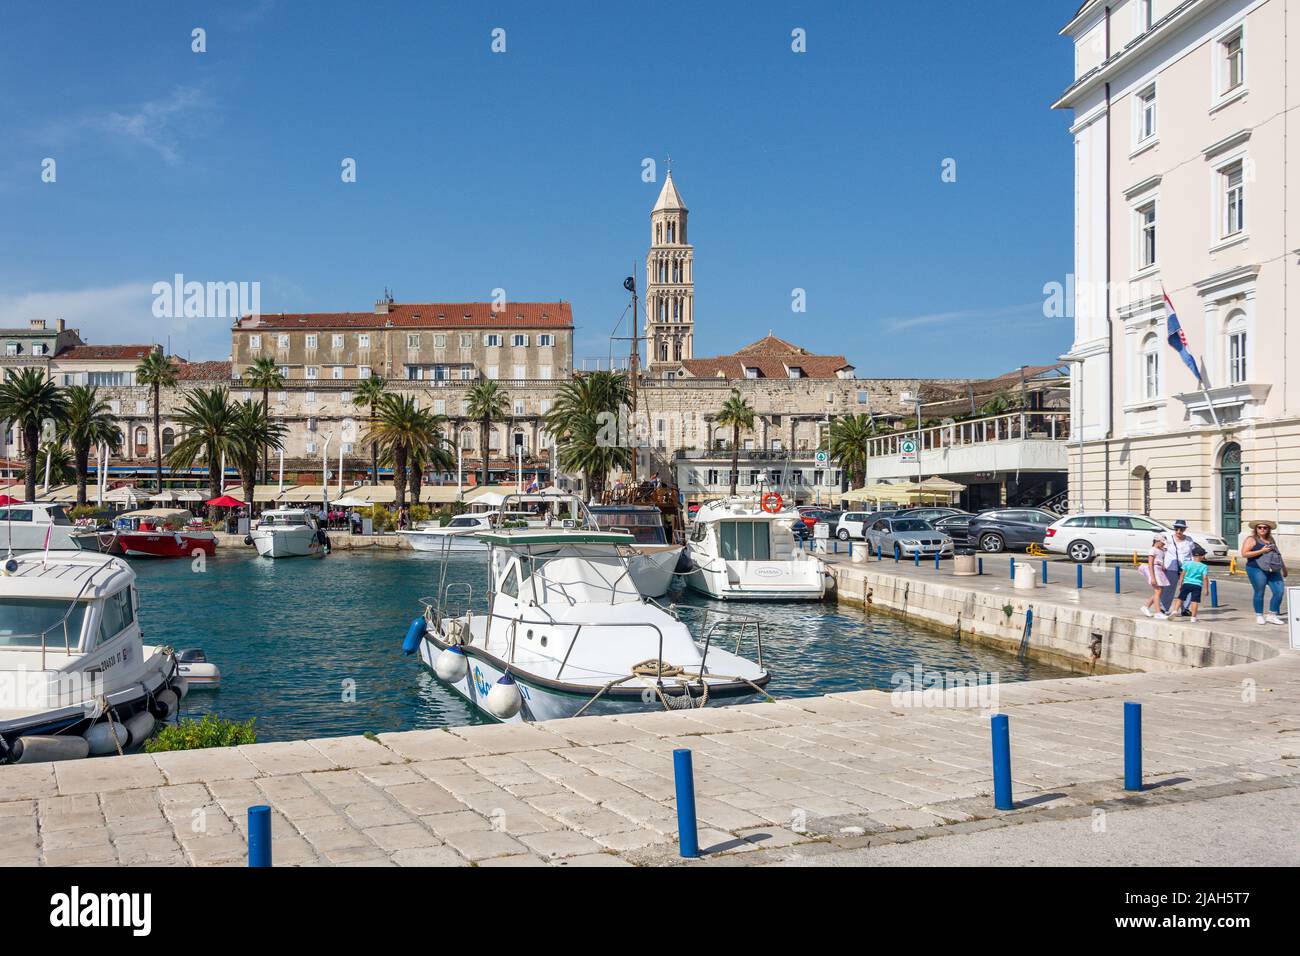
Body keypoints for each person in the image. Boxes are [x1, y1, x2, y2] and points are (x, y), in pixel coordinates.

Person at [1241, 519, 1287, 625]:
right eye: (1259, 527)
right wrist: (1262, 551)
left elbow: (1277, 554)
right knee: (1259, 591)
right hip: (1256, 568)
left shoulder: (1271, 539)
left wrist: (1284, 568)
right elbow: (1244, 553)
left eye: (1265, 527)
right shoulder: (1251, 539)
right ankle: (1259, 615)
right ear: (1256, 529)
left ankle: (1272, 615)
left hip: (1273, 569)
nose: (1262, 529)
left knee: (1279, 591)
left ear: (1268, 529)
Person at [1160, 519, 1196, 614]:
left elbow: (1193, 554)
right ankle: (1164, 608)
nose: (1178, 531)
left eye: (1181, 529)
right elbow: (1162, 552)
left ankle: (1185, 609)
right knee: (1169, 589)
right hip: (1171, 567)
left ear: (1184, 530)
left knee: (1187, 588)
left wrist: (1193, 566)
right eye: (1176, 529)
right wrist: (1162, 564)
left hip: (1186, 567)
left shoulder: (1189, 540)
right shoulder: (1168, 539)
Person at [1168, 545, 1209, 623]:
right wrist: (1206, 589)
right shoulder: (1204, 566)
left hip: (1186, 583)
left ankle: (1175, 611)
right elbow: (1205, 578)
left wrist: (1180, 584)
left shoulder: (1187, 563)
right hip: (1197, 585)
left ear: (1193, 555)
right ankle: (1193, 617)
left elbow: (1182, 575)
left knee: (1180, 598)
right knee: (1194, 601)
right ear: (1202, 556)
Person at [1140, 535, 1171, 619]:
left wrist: (1163, 566)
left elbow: (1160, 561)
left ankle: (1146, 607)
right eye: (1162, 543)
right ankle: (1158, 612)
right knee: (1158, 590)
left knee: (1159, 591)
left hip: (1159, 571)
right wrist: (1152, 577)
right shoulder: (1152, 550)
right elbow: (1150, 564)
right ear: (1157, 541)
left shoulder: (1161, 550)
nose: (1164, 545)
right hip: (1154, 571)